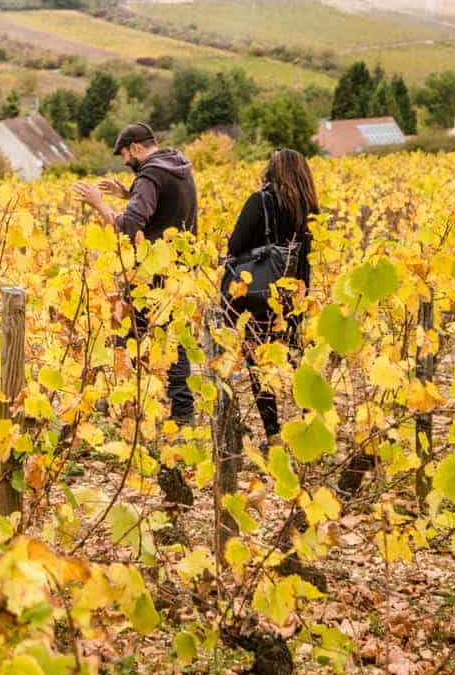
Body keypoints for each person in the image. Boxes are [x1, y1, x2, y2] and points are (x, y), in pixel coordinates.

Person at [73, 122, 198, 423]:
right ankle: (181, 414)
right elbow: (167, 210)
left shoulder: (150, 175)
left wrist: (99, 204)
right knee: (174, 342)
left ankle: (125, 408)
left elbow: (128, 229)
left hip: (151, 275)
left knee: (125, 335)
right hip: (180, 270)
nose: (127, 163)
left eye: (127, 156)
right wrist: (129, 194)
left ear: (137, 148)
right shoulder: (177, 164)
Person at [223, 148, 318, 446]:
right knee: (296, 357)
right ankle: (310, 425)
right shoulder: (306, 208)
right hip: (294, 293)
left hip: (257, 295)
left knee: (258, 359)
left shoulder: (260, 201)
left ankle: (274, 434)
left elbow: (236, 245)